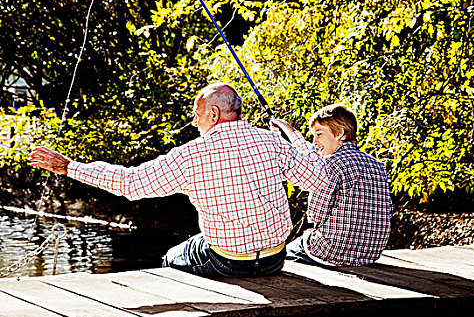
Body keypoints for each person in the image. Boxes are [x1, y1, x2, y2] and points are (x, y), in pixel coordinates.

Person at [28, 82, 327, 277]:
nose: (195, 123)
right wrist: (295, 138)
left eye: (197, 115)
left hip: (231, 263)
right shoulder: (272, 142)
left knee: (172, 257)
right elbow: (316, 178)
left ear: (213, 113)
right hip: (277, 257)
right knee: (196, 242)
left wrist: (69, 167)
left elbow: (130, 184)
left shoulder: (191, 155)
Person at [270, 104, 392, 267]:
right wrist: (290, 132)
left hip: (331, 251)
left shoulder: (328, 164)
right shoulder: (378, 165)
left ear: (340, 133)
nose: (315, 142)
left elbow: (315, 215)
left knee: (283, 255)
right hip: (371, 253)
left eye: (319, 135)